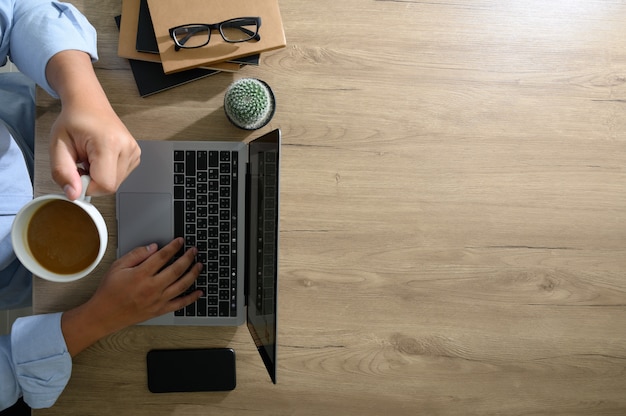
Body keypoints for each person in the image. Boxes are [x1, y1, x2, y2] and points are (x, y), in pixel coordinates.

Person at [0, 1, 202, 410]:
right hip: (26, 285)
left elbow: (18, 11)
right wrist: (98, 319)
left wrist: (81, 92)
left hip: (28, 114)